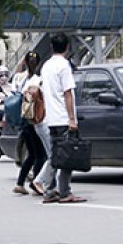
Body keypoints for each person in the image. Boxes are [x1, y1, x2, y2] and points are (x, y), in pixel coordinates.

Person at [34, 33, 87, 204]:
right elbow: (68, 93)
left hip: (51, 119)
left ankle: (49, 191)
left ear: (51, 47)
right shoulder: (64, 66)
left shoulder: (46, 66)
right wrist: (72, 119)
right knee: (67, 157)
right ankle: (64, 192)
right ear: (67, 47)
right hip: (64, 118)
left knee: (56, 156)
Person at [11, 51, 47, 195]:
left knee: (32, 154)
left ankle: (20, 183)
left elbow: (13, 95)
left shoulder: (18, 79)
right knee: (40, 155)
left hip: (23, 120)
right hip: (34, 120)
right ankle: (37, 183)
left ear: (25, 62)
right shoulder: (39, 80)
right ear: (38, 63)